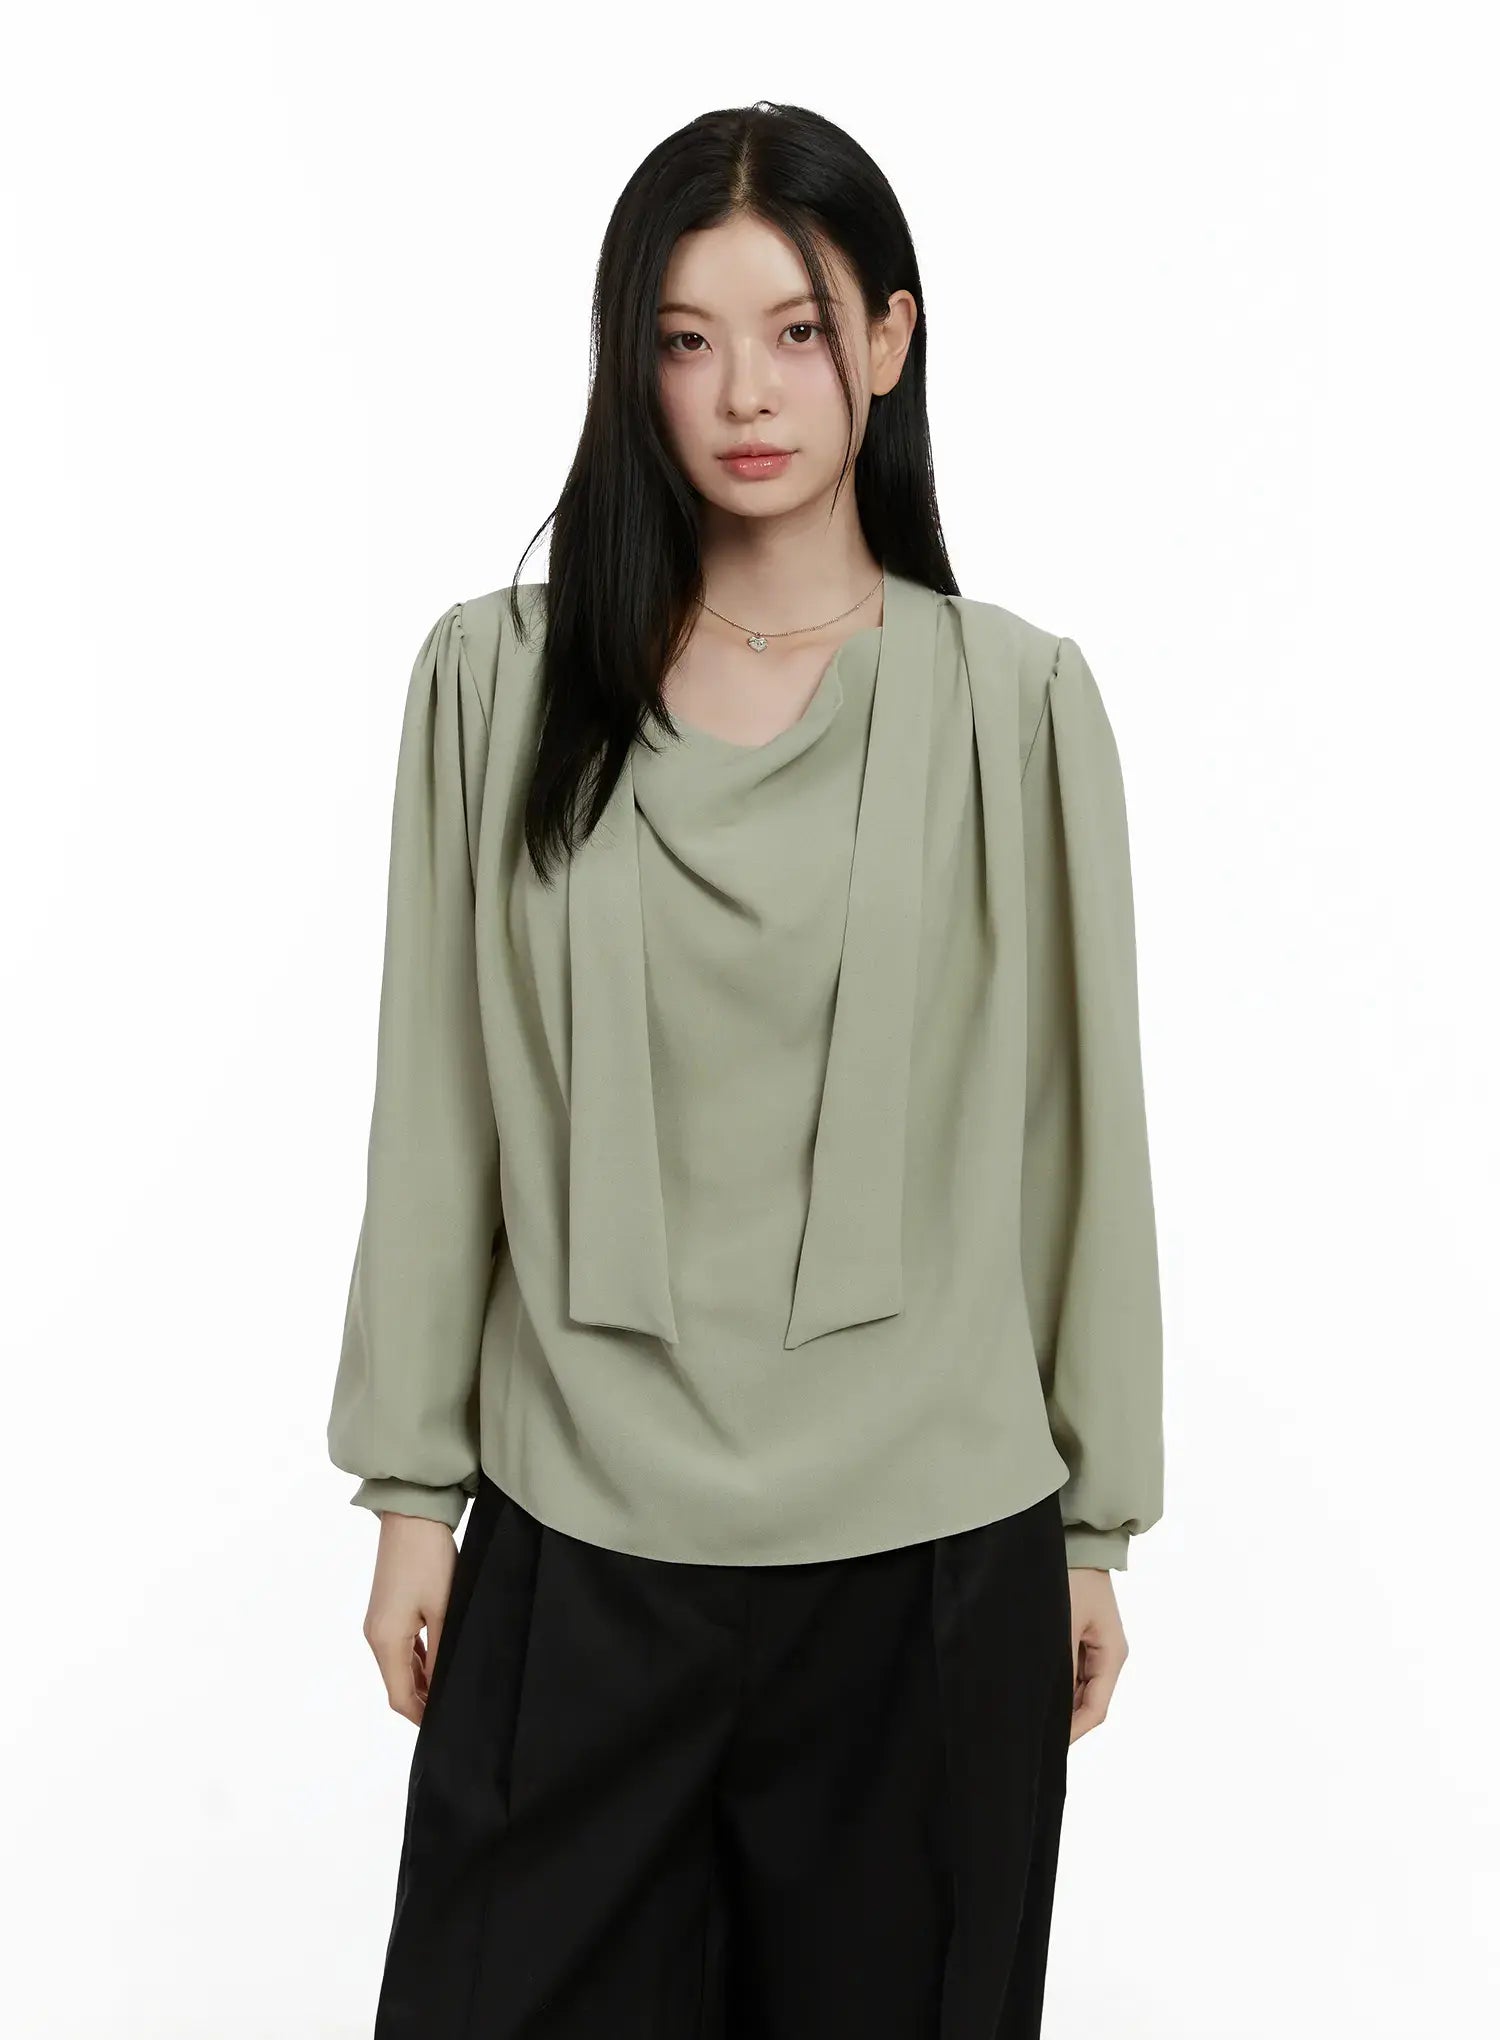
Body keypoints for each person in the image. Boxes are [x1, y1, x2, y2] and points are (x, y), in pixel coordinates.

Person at [327, 98, 1164, 2040]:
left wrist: (1092, 1525)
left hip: (934, 1565)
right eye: (685, 340)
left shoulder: (1017, 707)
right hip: (574, 1547)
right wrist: (409, 1493)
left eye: (795, 330)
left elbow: (1079, 1140)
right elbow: (434, 1103)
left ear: (890, 338)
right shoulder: (497, 685)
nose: (744, 394)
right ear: (628, 364)